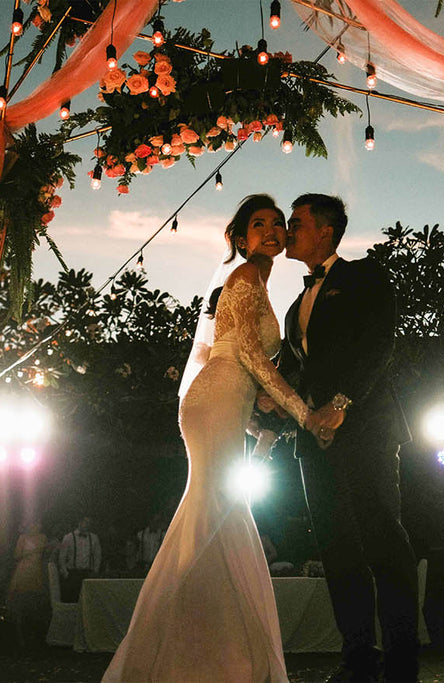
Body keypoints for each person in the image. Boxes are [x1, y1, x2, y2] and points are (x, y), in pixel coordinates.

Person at [103, 194, 323, 682]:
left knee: (217, 510)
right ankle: (202, 653)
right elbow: (246, 353)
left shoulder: (259, 285)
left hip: (223, 401)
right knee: (217, 509)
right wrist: (302, 412)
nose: (270, 231)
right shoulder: (244, 277)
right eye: (257, 225)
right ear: (241, 240)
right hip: (216, 397)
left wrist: (257, 420)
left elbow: (240, 367)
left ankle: (203, 644)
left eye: (277, 223)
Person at [271, 193, 419, 682]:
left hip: (368, 430)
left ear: (326, 231)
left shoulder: (365, 278)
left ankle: (402, 658)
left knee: (383, 539)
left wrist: (341, 402)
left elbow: (380, 345)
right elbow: (292, 370)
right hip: (313, 441)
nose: (288, 231)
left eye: (296, 222)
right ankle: (358, 655)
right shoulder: (295, 308)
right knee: (336, 547)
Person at [5, 520, 49, 649]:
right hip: (24, 571)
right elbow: (17, 555)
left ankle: (35, 636)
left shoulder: (43, 537)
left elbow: (46, 553)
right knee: (22, 601)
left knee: (36, 603)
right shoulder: (23, 538)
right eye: (34, 524)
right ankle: (21, 637)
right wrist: (32, 551)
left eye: (39, 524)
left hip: (37, 571)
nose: (37, 526)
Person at [57, 515, 101, 602]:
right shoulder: (68, 537)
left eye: (89, 523)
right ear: (80, 522)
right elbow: (62, 557)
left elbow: (97, 556)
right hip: (72, 574)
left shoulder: (94, 538)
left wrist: (95, 571)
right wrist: (66, 574)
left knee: (87, 601)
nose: (88, 524)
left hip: (87, 574)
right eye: (85, 522)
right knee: (72, 600)